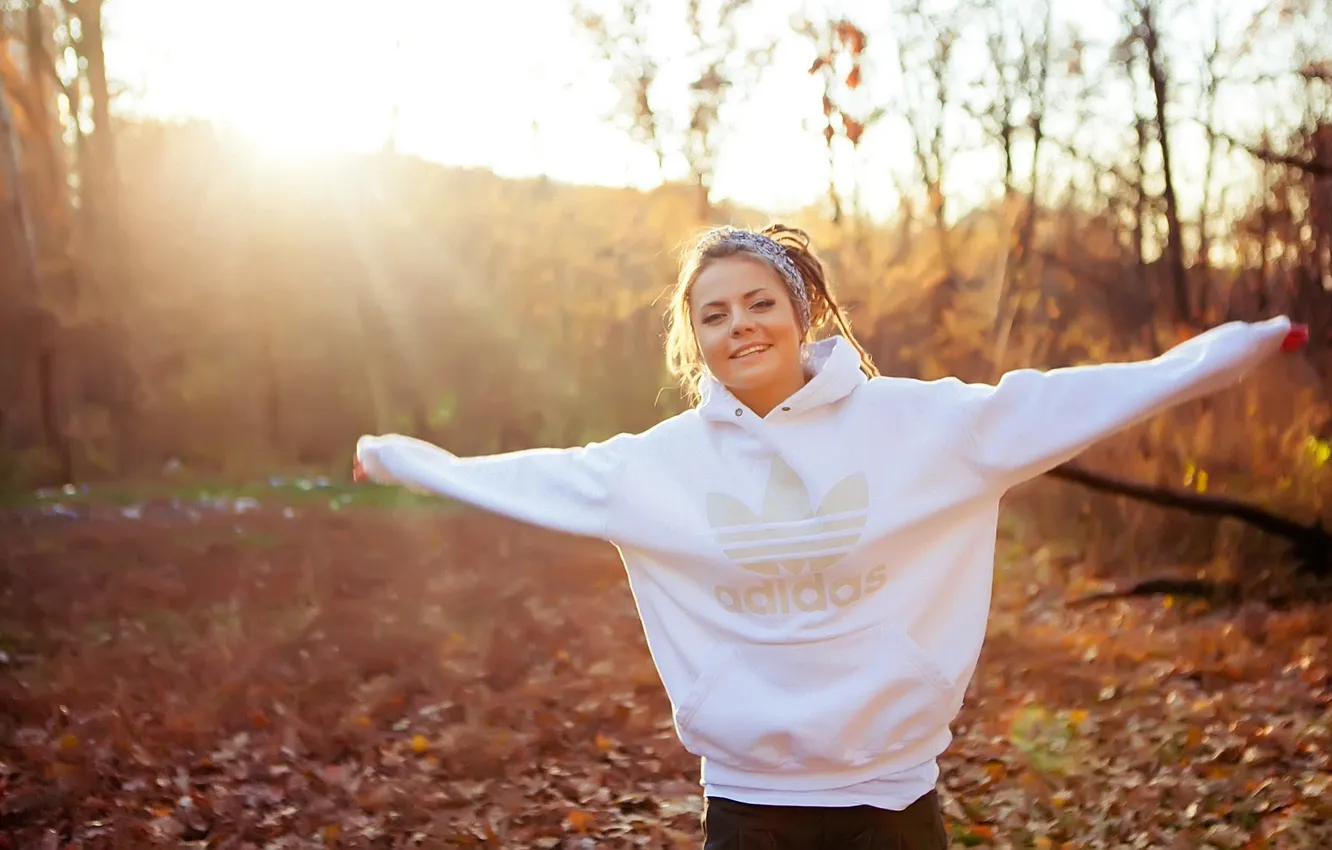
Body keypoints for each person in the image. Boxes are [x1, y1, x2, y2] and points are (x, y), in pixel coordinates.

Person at [353, 224, 1307, 849]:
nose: (740, 326)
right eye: (713, 315)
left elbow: (1063, 401)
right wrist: (403, 459)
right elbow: (532, 477)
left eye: (759, 302)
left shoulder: (918, 426)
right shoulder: (659, 466)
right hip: (749, 797)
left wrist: (1226, 353)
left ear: (800, 311)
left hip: (891, 792)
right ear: (696, 342)